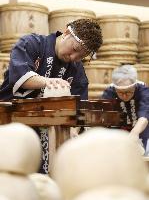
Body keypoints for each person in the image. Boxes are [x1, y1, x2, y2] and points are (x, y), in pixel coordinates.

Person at [0, 18, 103, 173]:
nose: (74, 58)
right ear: (67, 33)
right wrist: (47, 82)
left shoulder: (76, 69)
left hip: (47, 129)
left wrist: (73, 131)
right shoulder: (32, 43)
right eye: (74, 49)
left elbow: (79, 103)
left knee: (44, 177)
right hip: (10, 120)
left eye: (81, 56)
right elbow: (19, 76)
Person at [102, 64, 149, 151]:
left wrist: (134, 133)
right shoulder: (109, 92)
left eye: (128, 92)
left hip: (140, 131)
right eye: (120, 92)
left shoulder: (143, 91)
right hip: (117, 133)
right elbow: (103, 116)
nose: (124, 96)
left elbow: (145, 114)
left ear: (135, 86)